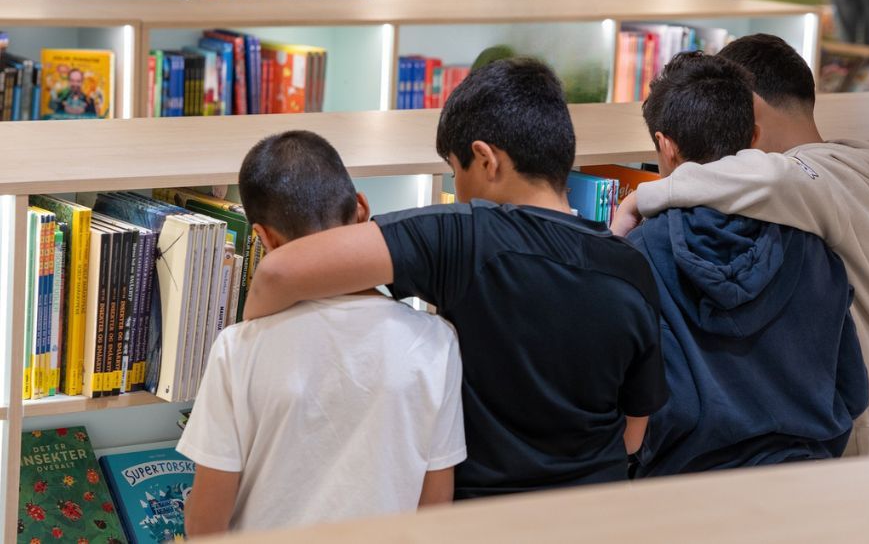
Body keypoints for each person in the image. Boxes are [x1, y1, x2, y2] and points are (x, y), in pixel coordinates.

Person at [243, 58, 667, 499]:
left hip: (478, 516)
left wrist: (244, 352)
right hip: (597, 511)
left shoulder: (462, 234)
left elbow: (279, 271)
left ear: (485, 159)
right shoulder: (631, 267)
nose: (456, 188)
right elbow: (633, 433)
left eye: (454, 170)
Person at [613, 34, 869, 455]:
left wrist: (642, 198)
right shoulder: (855, 176)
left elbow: (772, 177)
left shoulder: (808, 177)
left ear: (752, 110)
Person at [178, 131, 466, 535]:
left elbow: (206, 524)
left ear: (264, 238)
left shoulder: (238, 349)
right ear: (362, 209)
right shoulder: (436, 340)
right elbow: (435, 509)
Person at [625, 51, 869, 477]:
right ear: (754, 135)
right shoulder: (814, 245)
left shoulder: (640, 254)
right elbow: (853, 388)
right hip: (804, 483)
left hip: (676, 491)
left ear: (665, 146)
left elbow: (639, 408)